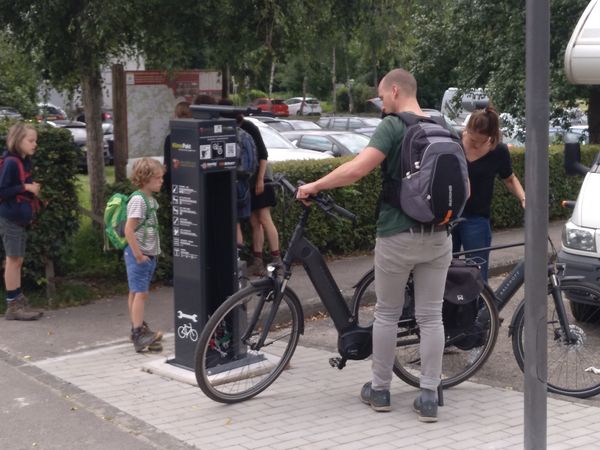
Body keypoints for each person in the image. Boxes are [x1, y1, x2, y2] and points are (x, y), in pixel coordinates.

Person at [297, 68, 451, 422]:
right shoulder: (443, 126)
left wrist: (315, 186)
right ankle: (428, 395)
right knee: (430, 316)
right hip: (440, 236)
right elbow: (465, 190)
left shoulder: (394, 126)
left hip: (397, 234)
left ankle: (380, 390)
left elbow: (356, 170)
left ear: (395, 91)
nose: (382, 105)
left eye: (383, 97)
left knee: (387, 314)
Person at [451, 107, 526, 281]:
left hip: (477, 219)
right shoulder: (454, 141)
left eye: (479, 141)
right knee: (444, 268)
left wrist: (524, 198)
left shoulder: (498, 151)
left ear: (491, 136)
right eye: (471, 137)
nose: (473, 143)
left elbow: (509, 179)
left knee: (477, 272)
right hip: (449, 215)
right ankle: (447, 308)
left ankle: (480, 308)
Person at [0, 123, 43, 321]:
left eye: (35, 140)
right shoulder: (11, 162)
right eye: (31, 140)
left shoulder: (24, 161)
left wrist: (30, 188)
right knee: (12, 259)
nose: (35, 144)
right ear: (18, 141)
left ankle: (17, 298)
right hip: (10, 217)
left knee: (18, 260)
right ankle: (13, 306)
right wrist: (25, 186)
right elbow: (3, 191)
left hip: (19, 218)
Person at [124, 157, 164, 352]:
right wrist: (139, 255)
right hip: (139, 255)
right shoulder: (139, 200)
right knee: (141, 293)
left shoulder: (149, 199)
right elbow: (128, 230)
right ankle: (138, 333)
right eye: (158, 178)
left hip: (146, 254)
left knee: (135, 291)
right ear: (146, 179)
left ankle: (136, 327)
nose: (161, 181)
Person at [242, 117, 282, 276]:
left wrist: (260, 180)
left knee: (264, 217)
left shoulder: (248, 126)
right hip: (247, 180)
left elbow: (263, 154)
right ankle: (258, 261)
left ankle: (277, 260)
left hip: (261, 176)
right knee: (254, 221)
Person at [163, 101, 192, 194]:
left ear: (176, 116)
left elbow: (167, 165)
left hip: (176, 184)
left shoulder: (171, 138)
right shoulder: (197, 136)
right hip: (195, 183)